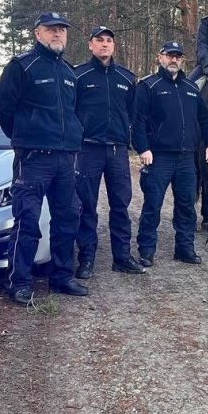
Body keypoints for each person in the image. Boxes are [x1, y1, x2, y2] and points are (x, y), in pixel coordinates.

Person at [0, 11, 88, 305]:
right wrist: (24, 137)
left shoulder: (70, 73)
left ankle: (61, 277)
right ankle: (19, 282)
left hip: (65, 160)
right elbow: (1, 107)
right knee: (28, 221)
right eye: (51, 29)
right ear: (38, 33)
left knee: (66, 219)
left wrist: (73, 136)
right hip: (33, 160)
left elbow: (75, 112)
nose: (58, 34)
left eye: (62, 30)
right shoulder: (22, 66)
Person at [132, 41, 208, 267]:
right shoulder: (148, 86)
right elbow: (137, 121)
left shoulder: (191, 88)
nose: (174, 60)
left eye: (178, 56)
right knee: (153, 205)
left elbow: (205, 119)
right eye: (170, 55)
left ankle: (185, 248)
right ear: (160, 57)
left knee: (187, 205)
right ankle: (146, 250)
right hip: (158, 157)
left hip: (186, 158)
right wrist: (143, 148)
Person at [72, 25, 145, 279]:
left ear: (114, 46)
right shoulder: (78, 76)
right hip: (87, 150)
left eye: (109, 41)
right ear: (90, 45)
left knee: (120, 205)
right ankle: (87, 258)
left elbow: (132, 114)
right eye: (99, 40)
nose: (104, 45)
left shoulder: (126, 78)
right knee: (87, 206)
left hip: (117, 151)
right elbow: (70, 113)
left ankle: (122, 257)